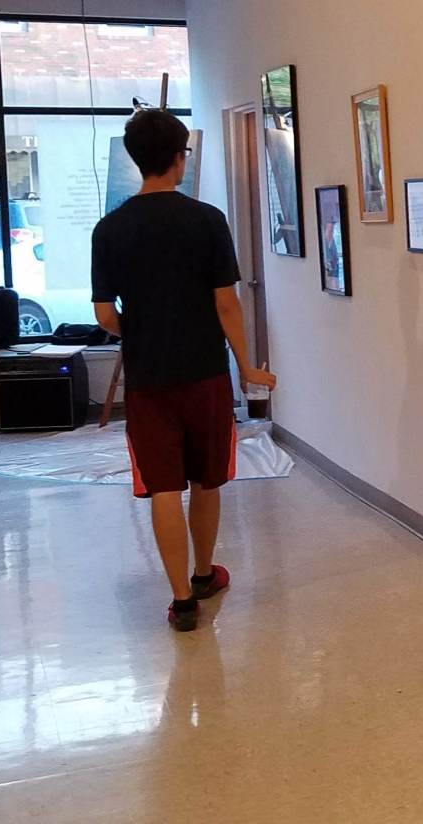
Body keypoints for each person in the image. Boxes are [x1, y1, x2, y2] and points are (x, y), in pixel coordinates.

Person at [92, 111, 276, 632]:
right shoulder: (207, 220)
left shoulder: (110, 229)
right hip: (205, 374)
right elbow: (226, 303)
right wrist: (247, 366)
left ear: (136, 159)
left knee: (164, 488)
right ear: (179, 158)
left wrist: (141, 330)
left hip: (148, 380)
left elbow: (105, 315)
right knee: (206, 479)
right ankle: (203, 573)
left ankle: (182, 602)